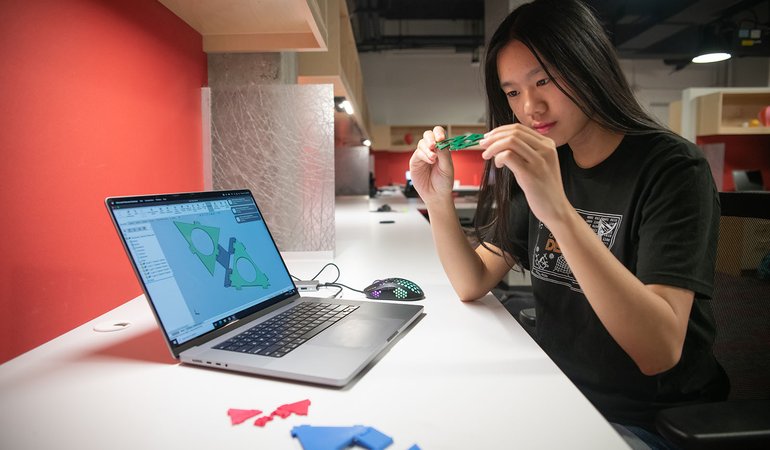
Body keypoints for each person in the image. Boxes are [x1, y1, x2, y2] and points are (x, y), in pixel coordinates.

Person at [408, 0, 729, 448]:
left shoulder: (673, 169)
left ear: (589, 65)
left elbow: (658, 352)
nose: (531, 106)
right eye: (513, 92)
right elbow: (473, 280)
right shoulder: (548, 160)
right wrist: (437, 200)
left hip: (647, 420)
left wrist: (557, 209)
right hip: (559, 393)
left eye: (544, 80)